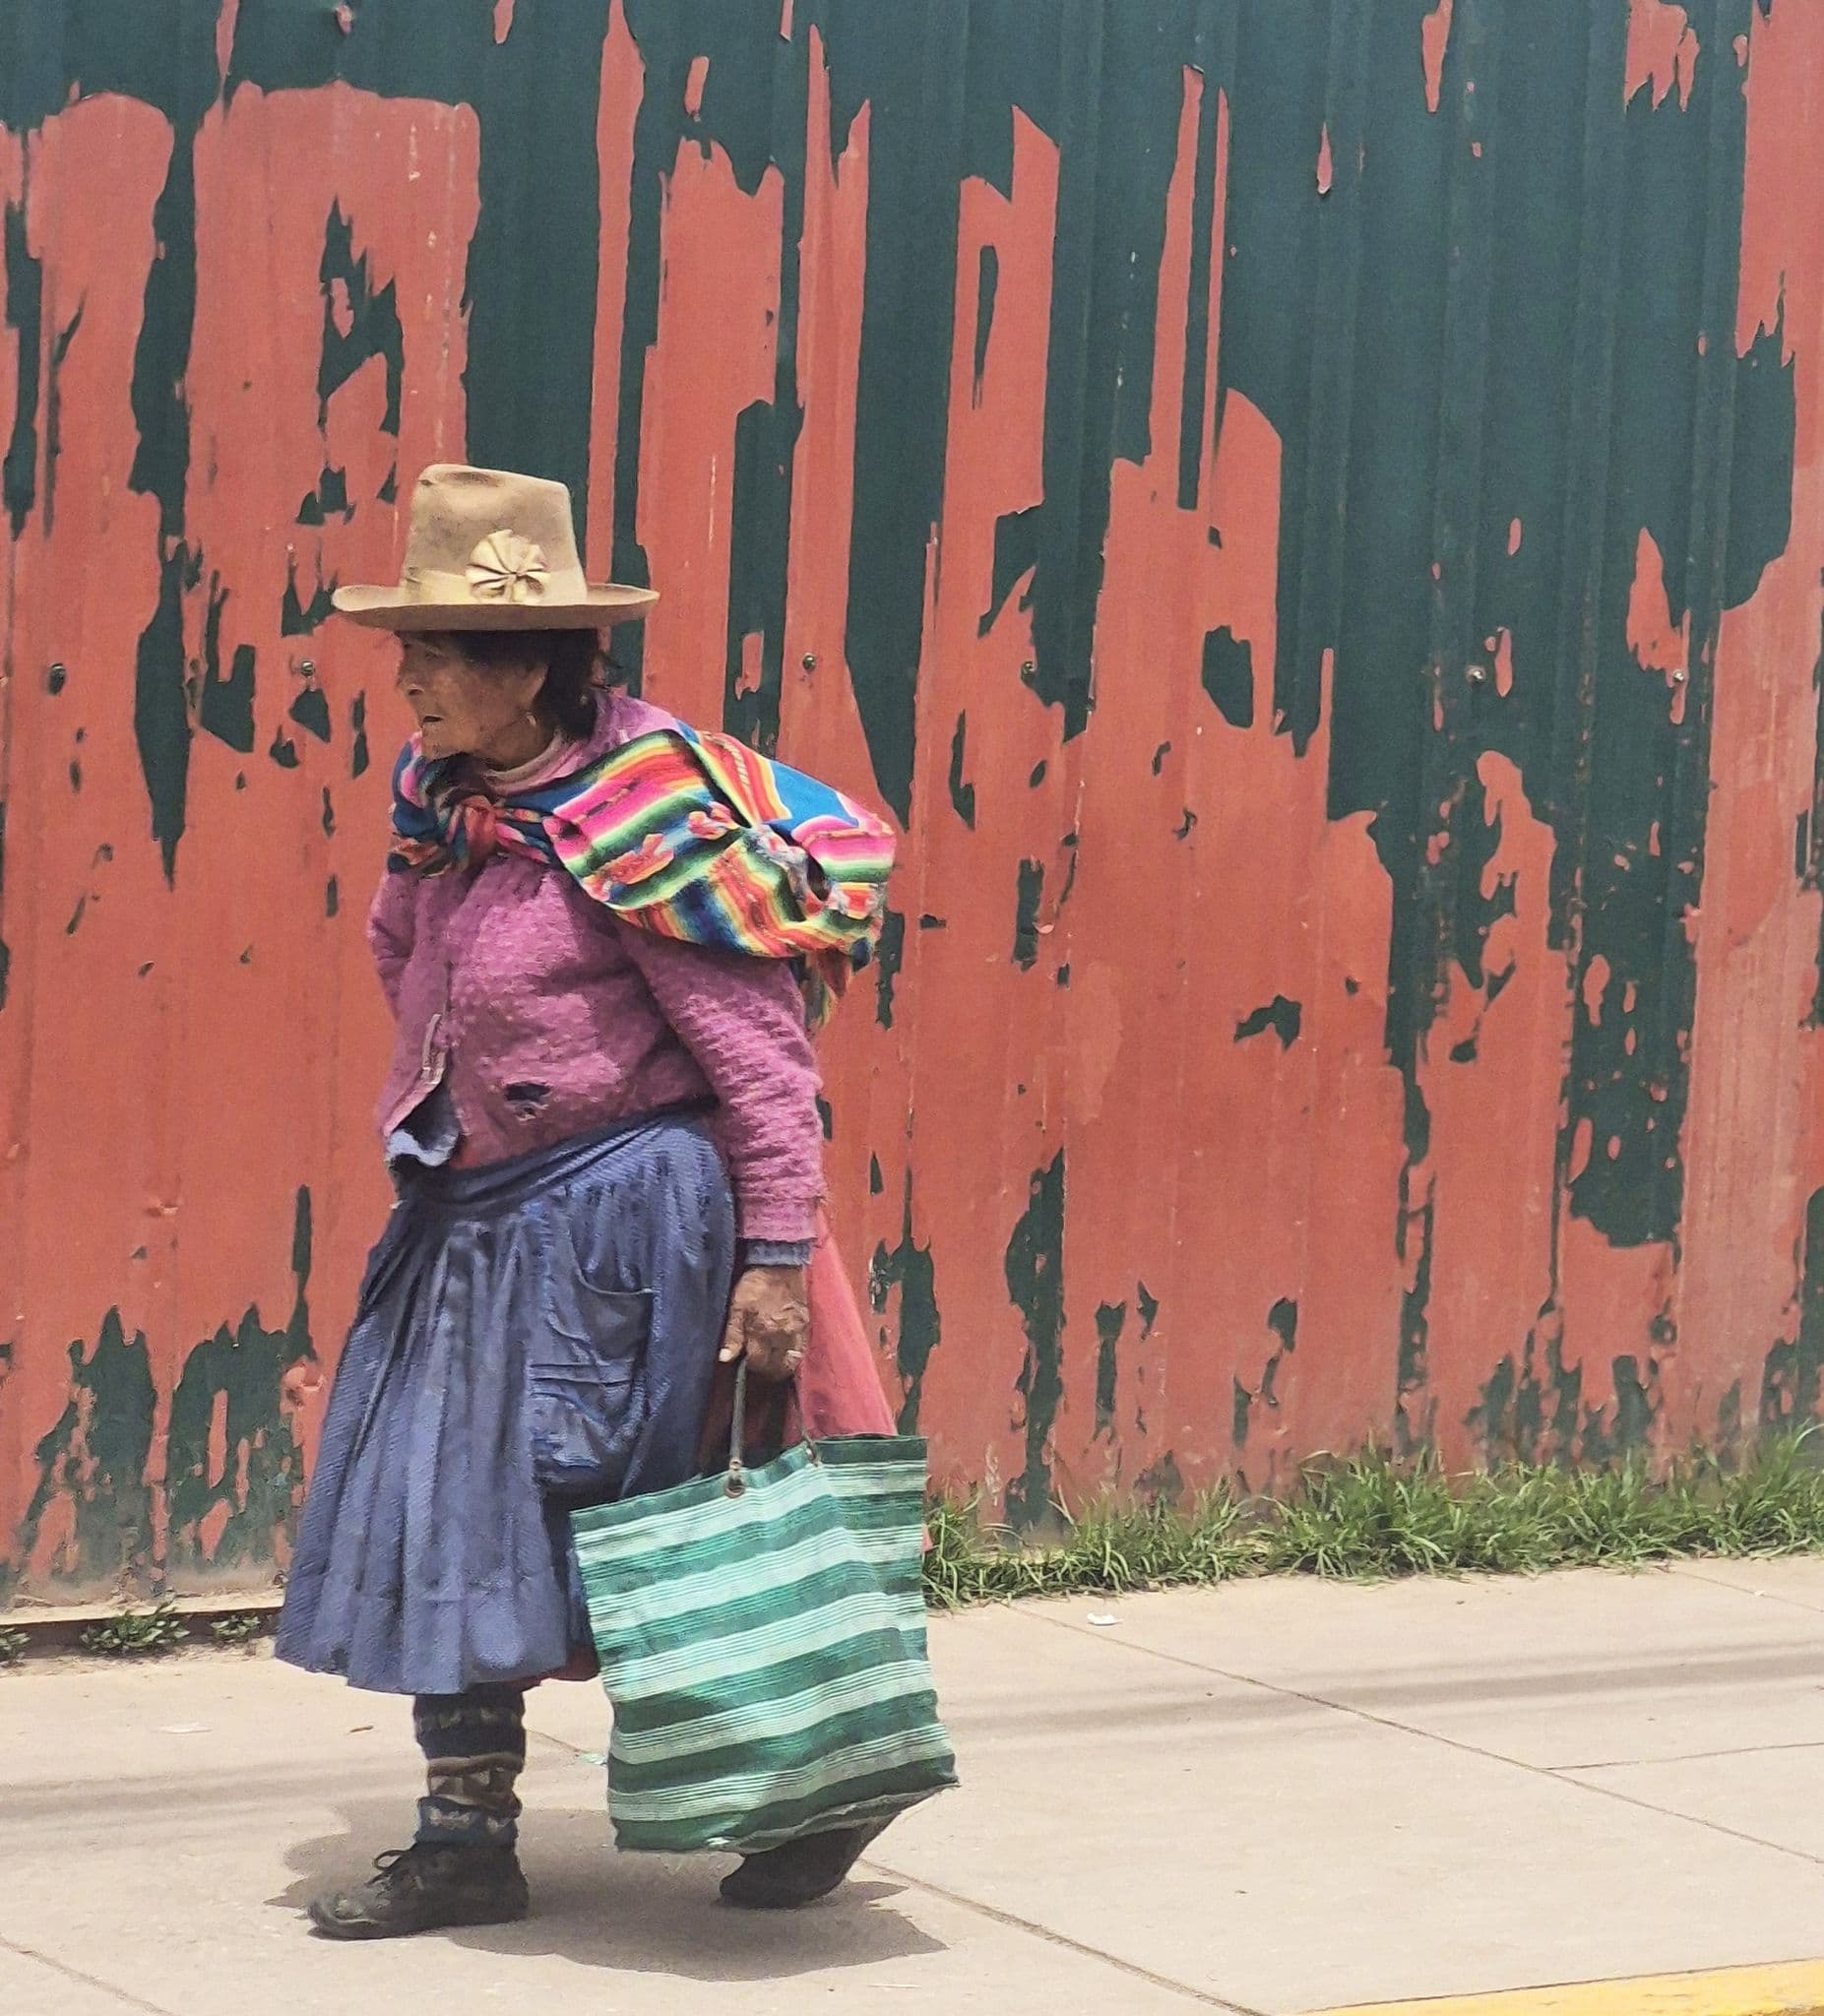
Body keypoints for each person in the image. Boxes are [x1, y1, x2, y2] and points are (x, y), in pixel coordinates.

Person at [275, 464, 899, 1939]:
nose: (410, 679)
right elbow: (401, 958)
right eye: (408, 649)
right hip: (473, 1218)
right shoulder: (447, 802)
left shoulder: (639, 820)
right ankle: (462, 1839)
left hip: (632, 1237)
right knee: (446, 1509)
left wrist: (772, 1261)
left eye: (437, 651)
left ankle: (814, 1784)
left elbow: (762, 1062)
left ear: (528, 664)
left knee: (657, 1525)